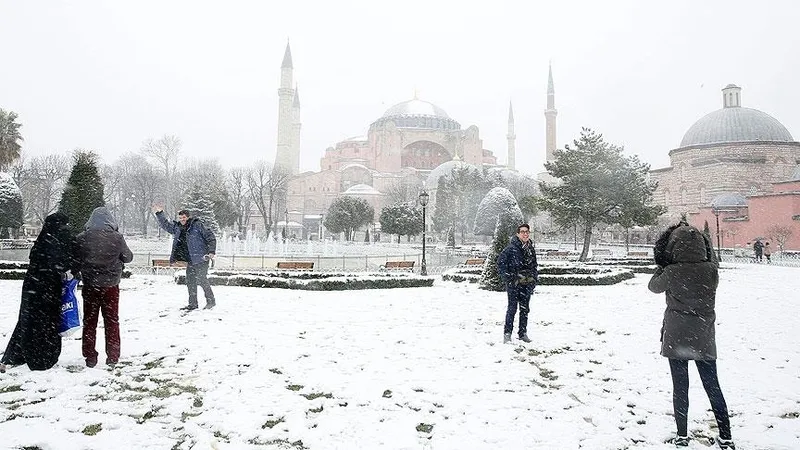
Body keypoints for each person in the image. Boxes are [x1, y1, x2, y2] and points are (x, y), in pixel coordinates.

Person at [649, 222, 735, 449]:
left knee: (680, 387)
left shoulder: (672, 272)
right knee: (713, 386)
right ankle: (726, 436)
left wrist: (662, 267)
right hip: (703, 336)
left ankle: (682, 435)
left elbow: (653, 287)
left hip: (677, 336)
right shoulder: (711, 271)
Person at [0, 212, 78, 372]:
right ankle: (43, 356)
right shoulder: (62, 237)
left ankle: (17, 354)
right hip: (49, 287)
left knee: (27, 320)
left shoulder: (43, 239)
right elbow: (66, 262)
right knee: (48, 321)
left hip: (32, 286)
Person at [76, 207, 133, 368]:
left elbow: (75, 258)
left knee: (89, 321)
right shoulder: (117, 238)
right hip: (111, 286)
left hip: (90, 285)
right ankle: (113, 356)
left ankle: (90, 357)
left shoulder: (83, 238)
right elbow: (128, 257)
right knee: (112, 321)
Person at [153, 206, 216, 310]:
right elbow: (166, 225)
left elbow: (210, 237)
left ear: (188, 217)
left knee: (202, 279)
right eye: (180, 218)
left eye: (184, 217)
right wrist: (160, 213)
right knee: (190, 281)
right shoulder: (178, 228)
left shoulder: (197, 225)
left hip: (201, 258)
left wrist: (211, 251)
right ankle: (193, 304)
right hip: (190, 260)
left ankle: (211, 301)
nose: (182, 219)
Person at [497, 223, 538, 344]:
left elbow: (534, 265)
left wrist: (534, 279)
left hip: (527, 284)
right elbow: (500, 263)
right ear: (518, 234)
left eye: (527, 232)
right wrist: (508, 278)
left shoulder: (530, 249)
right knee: (512, 309)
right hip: (514, 285)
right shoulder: (510, 248)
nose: (525, 234)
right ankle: (507, 334)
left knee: (525, 310)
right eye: (523, 232)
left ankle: (522, 333)